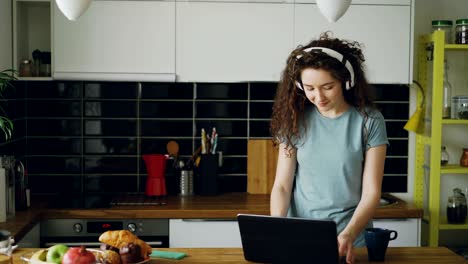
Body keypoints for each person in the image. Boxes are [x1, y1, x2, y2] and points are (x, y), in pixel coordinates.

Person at [270, 32, 388, 264]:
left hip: (352, 236)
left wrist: (349, 234)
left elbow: (372, 192)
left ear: (346, 81)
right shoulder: (294, 120)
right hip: (301, 236)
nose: (318, 96)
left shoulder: (370, 121)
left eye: (327, 86)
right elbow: (282, 186)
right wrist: (277, 228)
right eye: (309, 88)